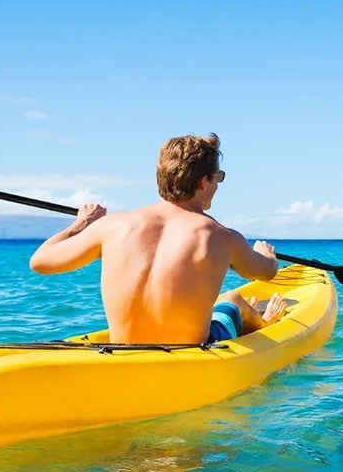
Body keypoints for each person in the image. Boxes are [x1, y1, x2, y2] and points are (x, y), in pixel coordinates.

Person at [29, 133, 287, 345]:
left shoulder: (112, 227)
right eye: (217, 177)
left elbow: (40, 262)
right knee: (232, 300)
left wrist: (81, 224)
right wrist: (266, 254)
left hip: (124, 352)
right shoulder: (221, 237)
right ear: (203, 181)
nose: (217, 185)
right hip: (191, 353)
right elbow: (266, 272)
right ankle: (261, 321)